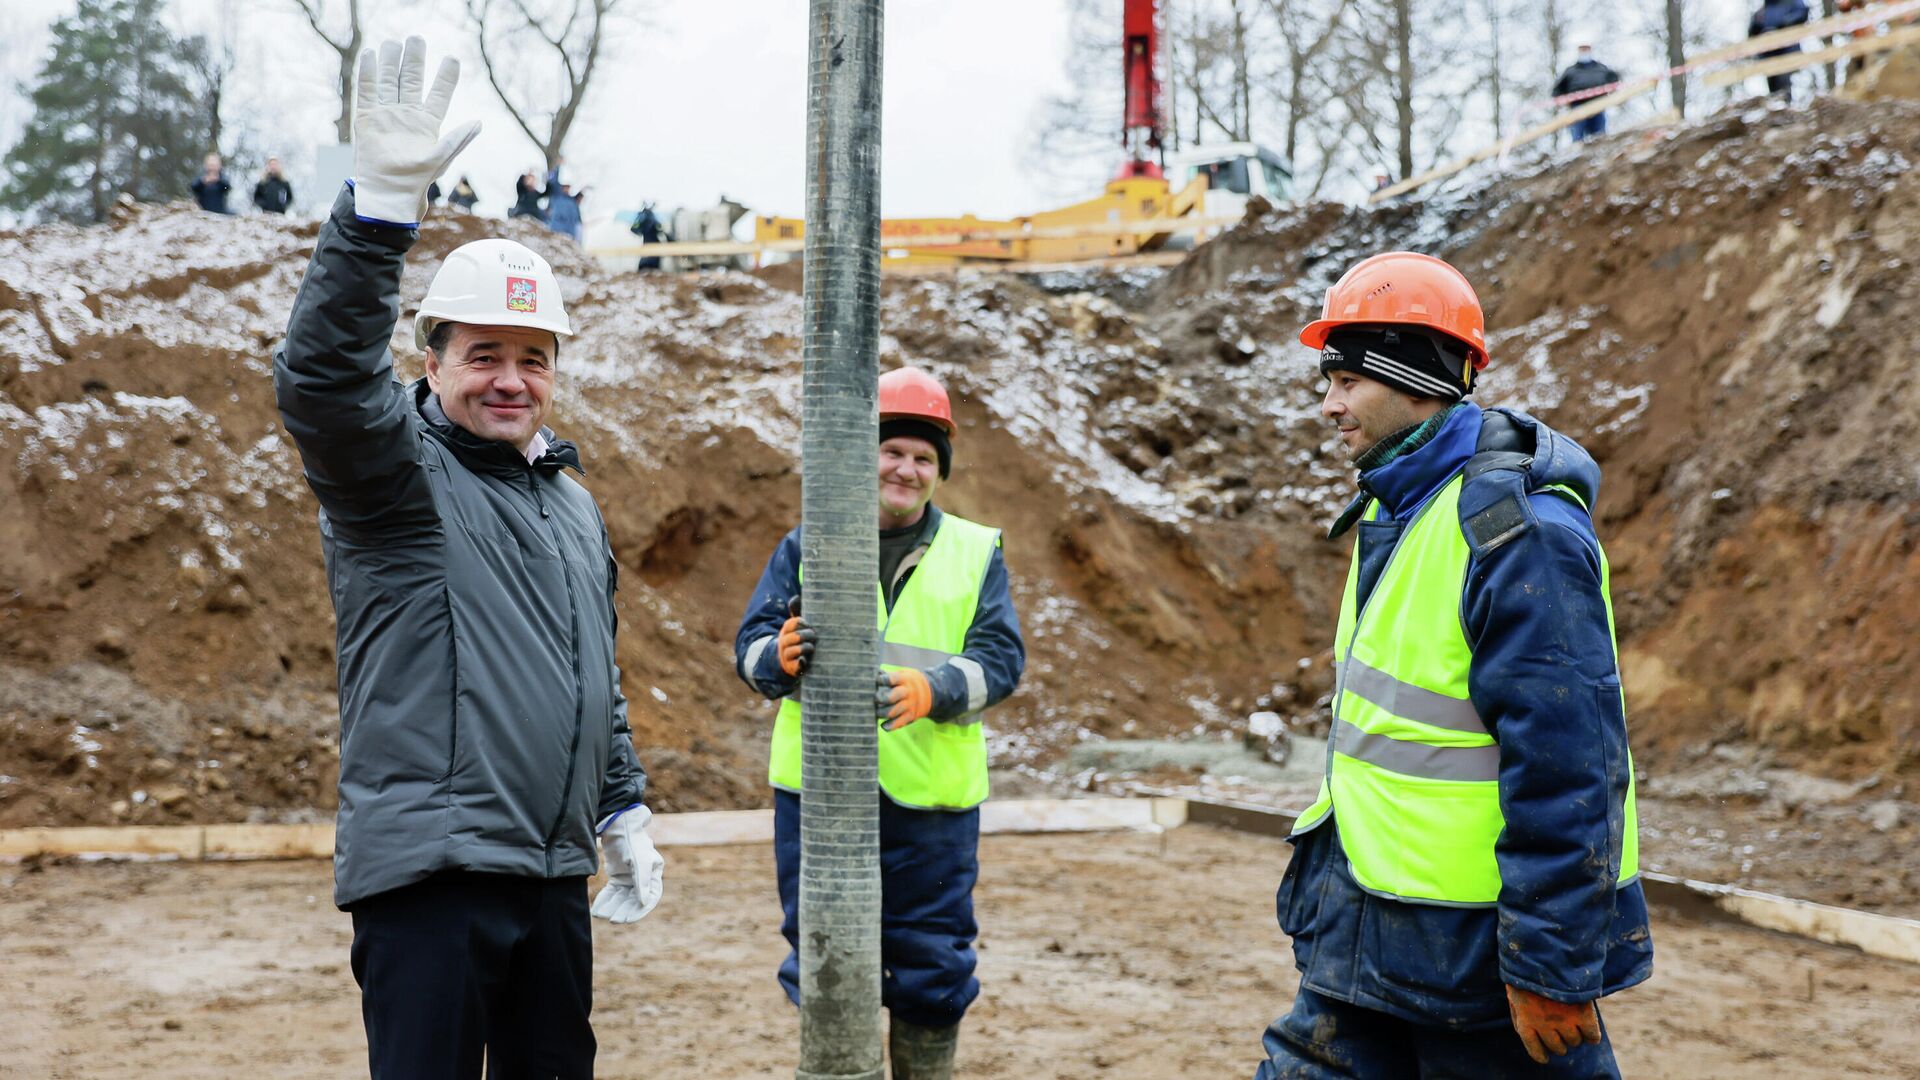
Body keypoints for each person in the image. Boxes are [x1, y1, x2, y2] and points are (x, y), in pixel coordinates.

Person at [272, 37, 663, 1080]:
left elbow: (592, 678)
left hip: (549, 877)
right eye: (482, 354)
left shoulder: (572, 507)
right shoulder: (394, 481)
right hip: (434, 880)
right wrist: (378, 212)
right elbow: (319, 382)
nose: (509, 379)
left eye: (531, 359)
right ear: (429, 358)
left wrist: (618, 803)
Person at [1251, 251, 1652, 1078]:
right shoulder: (1399, 510)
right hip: (1367, 942)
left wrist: (1550, 965)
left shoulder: (1517, 531)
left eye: (1347, 379)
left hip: (1478, 966)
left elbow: (1571, 765)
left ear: (1414, 376)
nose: (1328, 405)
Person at [733, 367, 1026, 1080]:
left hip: (929, 805)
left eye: (923, 458)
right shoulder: (808, 544)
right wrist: (778, 655)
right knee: (825, 953)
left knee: (932, 965)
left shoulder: (972, 550)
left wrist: (936, 689)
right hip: (820, 798)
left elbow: (1002, 659)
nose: (906, 468)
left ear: (939, 471)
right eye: (892, 450)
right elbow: (748, 648)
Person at [1551, 45, 1621, 142]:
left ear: (1590, 50)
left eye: (1586, 49)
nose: (1584, 51)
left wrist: (1613, 91)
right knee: (1578, 138)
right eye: (1582, 49)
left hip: (1598, 106)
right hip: (1577, 107)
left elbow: (1614, 80)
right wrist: (1562, 100)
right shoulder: (1570, 71)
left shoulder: (1601, 68)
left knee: (1600, 137)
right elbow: (1557, 89)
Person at [1751, 0, 1812, 99]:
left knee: (1786, 84)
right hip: (1769, 58)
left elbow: (1802, 13)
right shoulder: (1763, 9)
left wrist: (1782, 25)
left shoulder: (1791, 2)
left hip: (1788, 53)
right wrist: (1758, 29)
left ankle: (1791, 105)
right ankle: (1779, 106)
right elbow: (1753, 29)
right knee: (1774, 89)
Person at [546, 161, 585, 244]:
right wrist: (558, 167)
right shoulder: (557, 198)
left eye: (568, 187)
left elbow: (577, 220)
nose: (567, 189)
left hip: (570, 234)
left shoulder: (572, 202)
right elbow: (553, 182)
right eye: (565, 187)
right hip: (557, 232)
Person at [629, 202, 668, 271]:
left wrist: (639, 232)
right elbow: (660, 229)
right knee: (652, 261)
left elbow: (633, 228)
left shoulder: (642, 216)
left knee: (648, 261)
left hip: (648, 243)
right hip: (653, 243)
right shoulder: (650, 217)